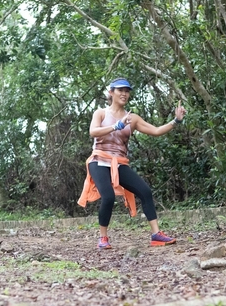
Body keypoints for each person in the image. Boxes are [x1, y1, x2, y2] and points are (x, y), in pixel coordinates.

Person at [78, 77, 187, 249]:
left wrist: (176, 121)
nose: (124, 94)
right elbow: (93, 131)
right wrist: (116, 126)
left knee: (145, 191)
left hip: (119, 163)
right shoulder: (101, 113)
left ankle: (156, 235)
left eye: (127, 91)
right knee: (108, 197)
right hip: (99, 161)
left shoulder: (132, 118)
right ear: (111, 92)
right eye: (120, 90)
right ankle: (103, 238)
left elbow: (156, 131)